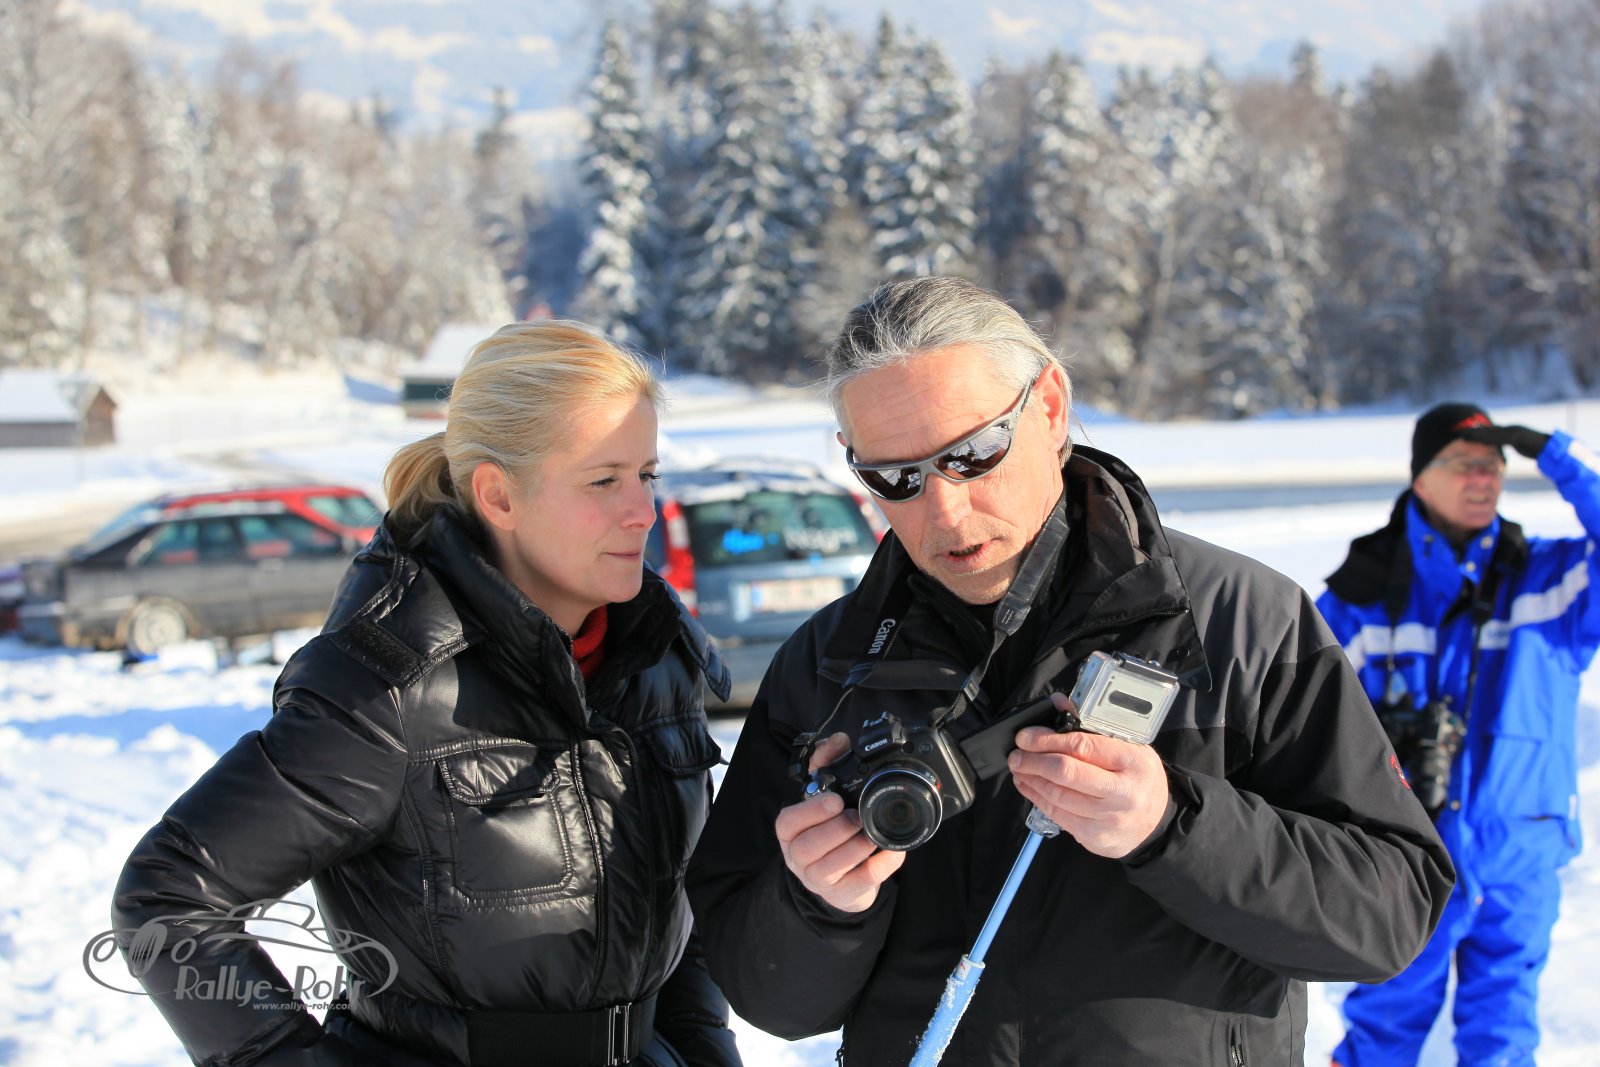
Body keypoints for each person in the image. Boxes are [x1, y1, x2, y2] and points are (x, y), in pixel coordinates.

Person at [685, 276, 1454, 1066]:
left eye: (971, 454)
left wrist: (1174, 826)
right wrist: (821, 903)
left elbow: (1392, 912)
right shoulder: (828, 665)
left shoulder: (1243, 622)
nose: (944, 511)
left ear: (1049, 405)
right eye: (896, 478)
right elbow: (765, 995)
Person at [111, 321, 742, 1067]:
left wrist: (703, 1052)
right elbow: (170, 898)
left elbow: (681, 901)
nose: (642, 511)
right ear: (498, 495)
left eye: (647, 475)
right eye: (604, 480)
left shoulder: (658, 659)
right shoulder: (386, 683)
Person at [1320, 403, 1600, 1067]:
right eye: (1463, 463)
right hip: (1404, 860)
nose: (1483, 478)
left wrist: (1558, 455)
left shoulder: (1551, 581)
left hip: (1518, 855)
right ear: (1420, 478)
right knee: (1380, 1034)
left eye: (1494, 465)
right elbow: (1305, 726)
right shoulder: (1361, 596)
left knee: (1502, 1039)